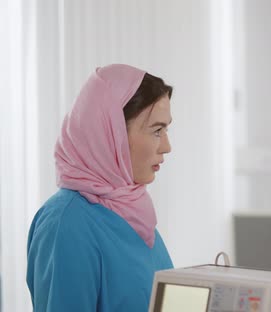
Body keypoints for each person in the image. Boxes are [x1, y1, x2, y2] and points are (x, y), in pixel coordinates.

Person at [26, 64, 174, 311]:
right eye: (157, 130)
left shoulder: (136, 214)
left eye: (166, 129)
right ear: (111, 132)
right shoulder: (66, 223)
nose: (167, 146)